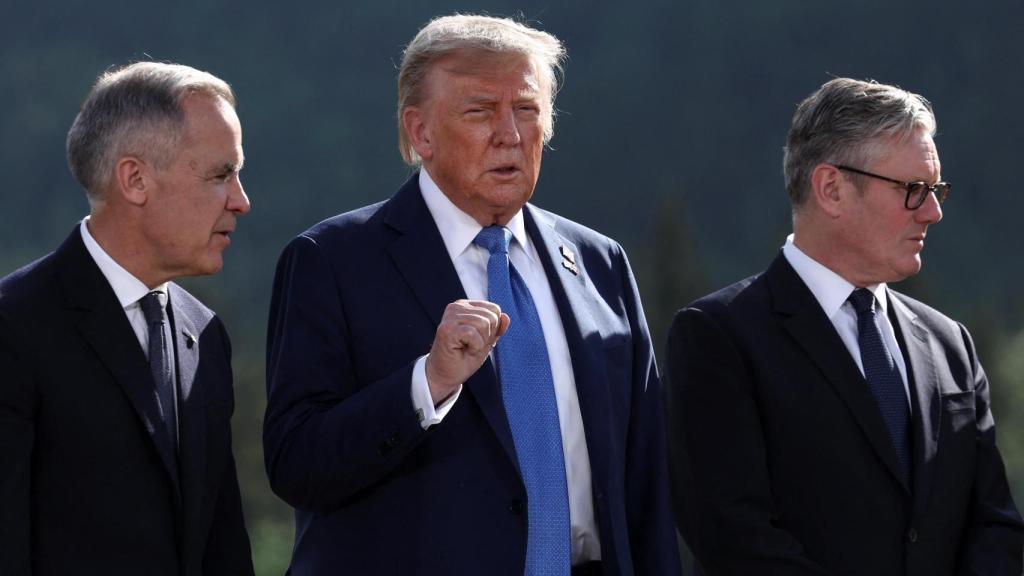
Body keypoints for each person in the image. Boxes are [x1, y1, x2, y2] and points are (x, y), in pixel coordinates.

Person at [264, 14, 680, 576]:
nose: (510, 134)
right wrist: (427, 383)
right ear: (420, 133)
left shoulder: (599, 262)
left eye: (527, 109)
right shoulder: (331, 261)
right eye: (480, 111)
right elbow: (296, 464)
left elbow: (647, 481)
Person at [664, 77, 1024, 575]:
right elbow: (735, 538)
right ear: (831, 189)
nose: (934, 212)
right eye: (913, 190)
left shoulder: (950, 344)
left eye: (936, 189)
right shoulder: (718, 337)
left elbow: (994, 524)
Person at [0, 61, 254, 575]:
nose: (241, 201)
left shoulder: (205, 333)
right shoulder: (14, 327)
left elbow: (221, 542)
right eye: (221, 174)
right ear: (135, 179)